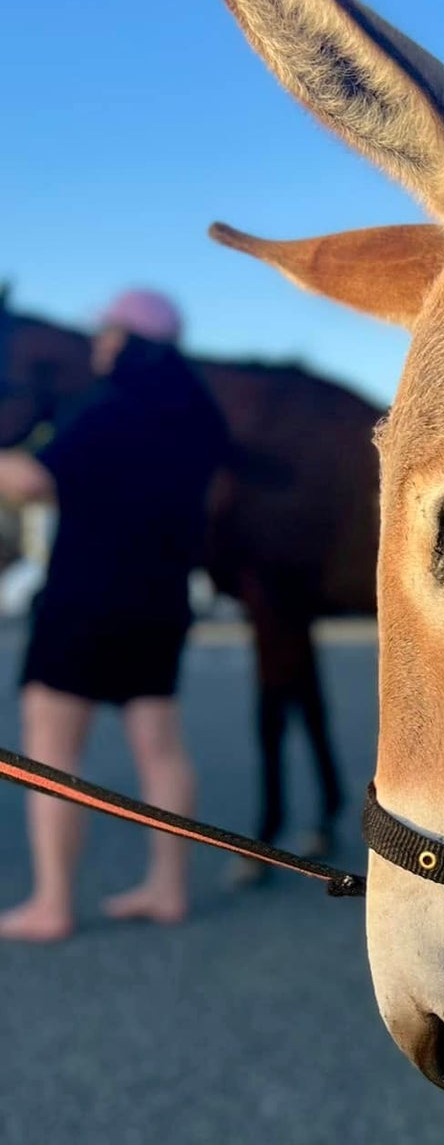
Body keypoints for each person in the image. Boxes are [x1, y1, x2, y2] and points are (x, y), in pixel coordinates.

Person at [0, 289, 227, 940]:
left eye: (108, 330)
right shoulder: (194, 418)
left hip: (85, 598)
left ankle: (52, 903)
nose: (98, 340)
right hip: (160, 601)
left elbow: (33, 480)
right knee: (160, 748)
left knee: (51, 750)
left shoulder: (106, 410)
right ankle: (168, 887)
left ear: (134, 339)